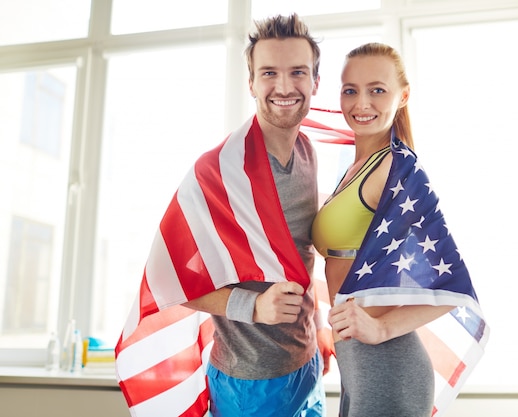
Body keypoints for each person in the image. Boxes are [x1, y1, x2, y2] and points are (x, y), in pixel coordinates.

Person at [116, 13, 333, 417]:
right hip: (248, 383)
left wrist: (318, 328)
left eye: (297, 72)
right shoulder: (216, 171)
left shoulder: (308, 153)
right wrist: (253, 308)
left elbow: (299, 257)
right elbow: (168, 282)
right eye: (269, 72)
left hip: (307, 368)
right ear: (251, 83)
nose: (284, 86)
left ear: (315, 82)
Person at [311, 43, 489, 417]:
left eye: (377, 90)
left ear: (402, 95)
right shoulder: (355, 167)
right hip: (355, 356)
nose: (362, 103)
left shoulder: (397, 166)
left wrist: (380, 330)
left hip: (387, 362)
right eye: (350, 90)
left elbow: (451, 284)